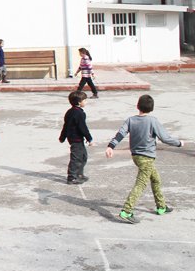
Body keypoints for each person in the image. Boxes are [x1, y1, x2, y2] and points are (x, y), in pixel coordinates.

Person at [106, 94, 184, 224]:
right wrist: (179, 143)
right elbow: (165, 138)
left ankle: (161, 206)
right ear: (151, 108)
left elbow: (120, 134)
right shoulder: (152, 121)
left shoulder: (130, 120)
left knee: (156, 179)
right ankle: (126, 211)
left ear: (138, 106)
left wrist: (111, 146)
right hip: (147, 158)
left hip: (136, 156)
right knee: (141, 183)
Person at [59, 91, 94, 185]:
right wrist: (89, 139)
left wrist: (62, 137)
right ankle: (72, 177)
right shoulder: (79, 113)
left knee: (83, 156)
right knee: (76, 158)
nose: (86, 102)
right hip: (76, 139)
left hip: (74, 138)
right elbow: (83, 127)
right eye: (84, 100)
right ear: (79, 102)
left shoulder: (70, 111)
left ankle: (79, 174)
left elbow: (66, 125)